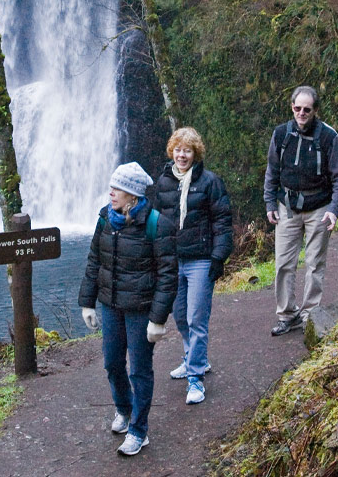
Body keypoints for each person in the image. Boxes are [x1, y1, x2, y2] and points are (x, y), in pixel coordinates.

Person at [79, 161, 177, 456]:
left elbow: (167, 275)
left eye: (117, 189)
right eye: (111, 187)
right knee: (111, 363)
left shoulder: (157, 224)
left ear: (133, 195)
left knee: (140, 370)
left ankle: (138, 430)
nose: (111, 193)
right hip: (110, 304)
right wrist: (87, 301)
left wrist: (158, 319)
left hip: (140, 309)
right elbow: (94, 261)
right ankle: (124, 408)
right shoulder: (104, 220)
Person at [150, 126, 232, 406]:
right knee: (181, 315)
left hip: (200, 259)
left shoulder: (210, 182)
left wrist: (218, 257)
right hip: (173, 260)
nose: (182, 155)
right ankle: (193, 358)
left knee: (197, 317)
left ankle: (195, 377)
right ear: (171, 151)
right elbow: (156, 222)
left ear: (195, 153)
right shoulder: (163, 182)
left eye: (187, 150)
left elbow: (222, 221)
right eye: (178, 149)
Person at [263, 85, 338, 336]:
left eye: (307, 109)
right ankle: (286, 315)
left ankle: (310, 316)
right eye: (297, 108)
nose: (301, 113)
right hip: (287, 207)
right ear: (291, 107)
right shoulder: (280, 134)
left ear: (315, 110)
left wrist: (334, 210)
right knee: (283, 264)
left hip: (319, 208)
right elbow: (272, 171)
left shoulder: (328, 137)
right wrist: (270, 203)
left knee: (314, 263)